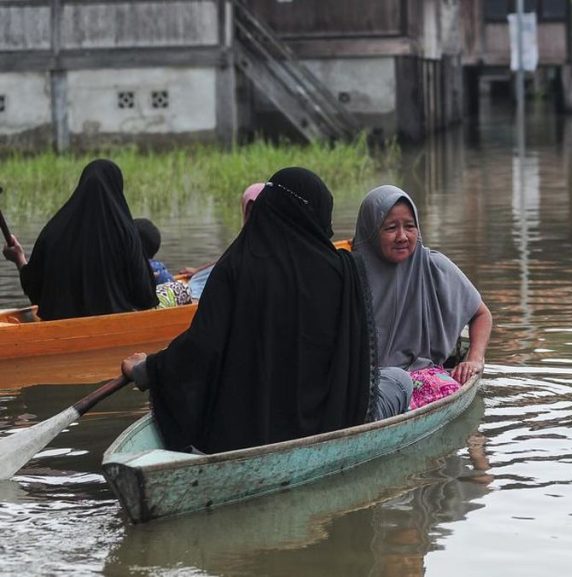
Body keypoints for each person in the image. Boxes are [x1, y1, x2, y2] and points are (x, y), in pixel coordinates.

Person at [120, 167, 388, 454]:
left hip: (244, 434)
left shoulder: (237, 265)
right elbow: (358, 355)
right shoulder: (343, 271)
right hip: (331, 422)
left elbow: (202, 347)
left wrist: (149, 369)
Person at [352, 185, 492, 415]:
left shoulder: (434, 266)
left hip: (422, 376)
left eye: (409, 226)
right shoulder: (350, 274)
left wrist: (474, 359)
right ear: (371, 232)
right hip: (368, 383)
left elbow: (482, 315)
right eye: (390, 228)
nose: (402, 237)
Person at [1, 159, 157, 320]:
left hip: (58, 327)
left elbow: (36, 291)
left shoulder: (52, 232)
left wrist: (19, 259)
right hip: (113, 328)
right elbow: (145, 298)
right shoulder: (126, 234)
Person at [183, 182, 265, 300]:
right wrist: (198, 270)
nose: (253, 215)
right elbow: (228, 258)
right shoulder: (246, 238)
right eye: (250, 210)